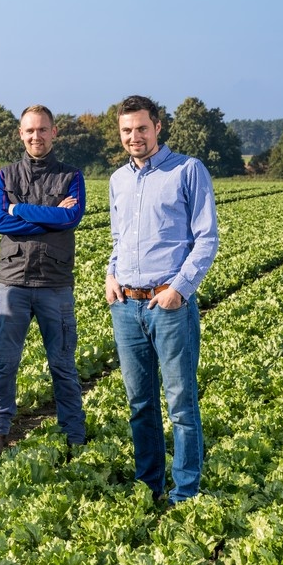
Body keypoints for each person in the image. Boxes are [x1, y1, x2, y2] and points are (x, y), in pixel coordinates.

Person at [106, 94, 218, 504]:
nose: (134, 137)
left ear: (157, 127)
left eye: (141, 128)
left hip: (167, 305)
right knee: (140, 403)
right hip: (126, 306)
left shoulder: (187, 171)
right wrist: (110, 275)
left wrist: (179, 290)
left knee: (181, 404)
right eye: (126, 130)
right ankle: (148, 485)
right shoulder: (118, 180)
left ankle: (185, 491)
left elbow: (206, 238)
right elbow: (118, 238)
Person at [0, 105, 87, 458]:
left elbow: (71, 217)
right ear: (20, 134)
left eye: (42, 130)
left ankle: (74, 433)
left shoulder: (71, 175)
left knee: (63, 363)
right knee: (5, 361)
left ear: (54, 132)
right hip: (14, 282)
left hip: (55, 283)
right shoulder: (5, 176)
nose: (36, 136)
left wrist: (19, 209)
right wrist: (50, 218)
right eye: (30, 131)